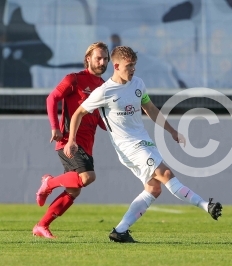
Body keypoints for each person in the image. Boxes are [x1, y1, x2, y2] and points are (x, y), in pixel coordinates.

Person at [63, 46, 223, 243]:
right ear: (117, 66)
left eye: (134, 66)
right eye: (129, 66)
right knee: (166, 174)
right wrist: (71, 140)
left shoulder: (138, 84)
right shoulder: (104, 92)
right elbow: (78, 112)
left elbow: (150, 109)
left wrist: (172, 131)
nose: (132, 70)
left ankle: (120, 231)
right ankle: (206, 205)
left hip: (144, 142)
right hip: (129, 148)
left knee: (154, 189)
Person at [32, 42, 110, 239]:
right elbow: (52, 99)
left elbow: (100, 119)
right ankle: (49, 183)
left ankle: (41, 226)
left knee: (74, 191)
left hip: (87, 144)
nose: (102, 62)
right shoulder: (74, 79)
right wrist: (54, 128)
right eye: (98, 58)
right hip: (69, 140)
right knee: (87, 177)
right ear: (88, 59)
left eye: (105, 58)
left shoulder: (104, 86)